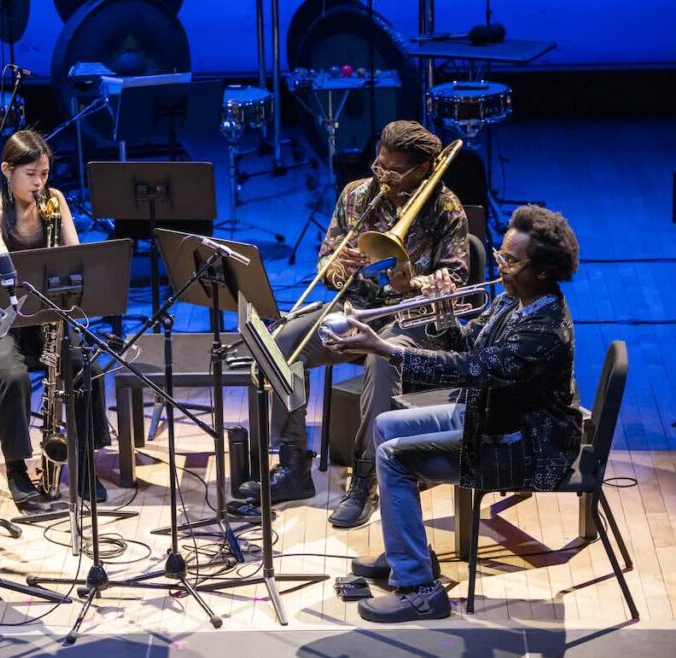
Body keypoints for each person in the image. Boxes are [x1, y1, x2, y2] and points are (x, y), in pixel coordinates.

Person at [323, 205, 583, 622]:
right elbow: (469, 345)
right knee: (385, 425)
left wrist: (386, 349)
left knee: (394, 457)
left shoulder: (544, 329)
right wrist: (445, 320)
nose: (501, 267)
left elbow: (474, 369)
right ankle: (409, 552)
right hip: (491, 418)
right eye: (500, 255)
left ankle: (420, 590)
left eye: (512, 261)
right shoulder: (514, 301)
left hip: (526, 448)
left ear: (543, 271)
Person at [240, 120, 469, 529]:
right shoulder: (355, 195)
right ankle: (293, 466)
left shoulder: (446, 209)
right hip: (357, 310)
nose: (383, 177)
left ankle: (366, 479)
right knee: (282, 344)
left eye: (394, 171)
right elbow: (325, 261)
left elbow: (455, 280)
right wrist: (337, 267)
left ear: (422, 169)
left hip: (411, 319)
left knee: (381, 361)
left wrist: (413, 284)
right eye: (379, 165)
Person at [0, 130, 111, 506]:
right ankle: (17, 467)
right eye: (31, 174)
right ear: (7, 170)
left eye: (45, 174)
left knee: (88, 369)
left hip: (46, 306)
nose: (39, 183)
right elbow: (9, 274)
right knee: (13, 376)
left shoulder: (55, 201)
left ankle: (84, 463)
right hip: (1, 313)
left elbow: (75, 254)